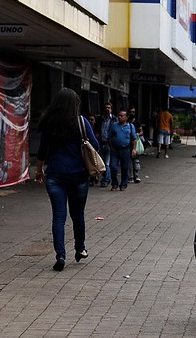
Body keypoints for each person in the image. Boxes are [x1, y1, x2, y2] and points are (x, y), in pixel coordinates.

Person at [35, 88, 95, 272]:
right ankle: (80, 249)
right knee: (77, 215)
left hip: (55, 177)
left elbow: (42, 151)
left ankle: (60, 256)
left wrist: (39, 171)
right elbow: (96, 145)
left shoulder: (49, 123)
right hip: (78, 177)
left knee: (58, 217)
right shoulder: (81, 122)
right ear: (74, 104)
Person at [109, 110, 137, 190]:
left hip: (126, 149)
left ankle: (123, 184)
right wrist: (111, 147)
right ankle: (114, 183)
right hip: (115, 150)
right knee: (113, 166)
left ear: (126, 117)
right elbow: (110, 137)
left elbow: (134, 139)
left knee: (125, 168)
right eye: (119, 115)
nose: (119, 117)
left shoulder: (131, 126)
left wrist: (134, 149)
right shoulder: (114, 125)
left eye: (122, 116)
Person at [95, 103, 116, 188]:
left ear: (111, 109)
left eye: (109, 108)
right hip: (101, 143)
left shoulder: (114, 119)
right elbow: (97, 129)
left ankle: (106, 180)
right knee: (100, 163)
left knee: (107, 163)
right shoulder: (100, 119)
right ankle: (105, 177)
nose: (107, 109)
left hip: (109, 144)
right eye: (106, 108)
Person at [126, 113, 142, 183]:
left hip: (134, 144)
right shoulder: (125, 125)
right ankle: (131, 177)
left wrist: (137, 134)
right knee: (130, 161)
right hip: (128, 145)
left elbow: (141, 131)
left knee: (135, 161)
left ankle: (136, 176)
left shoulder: (135, 123)